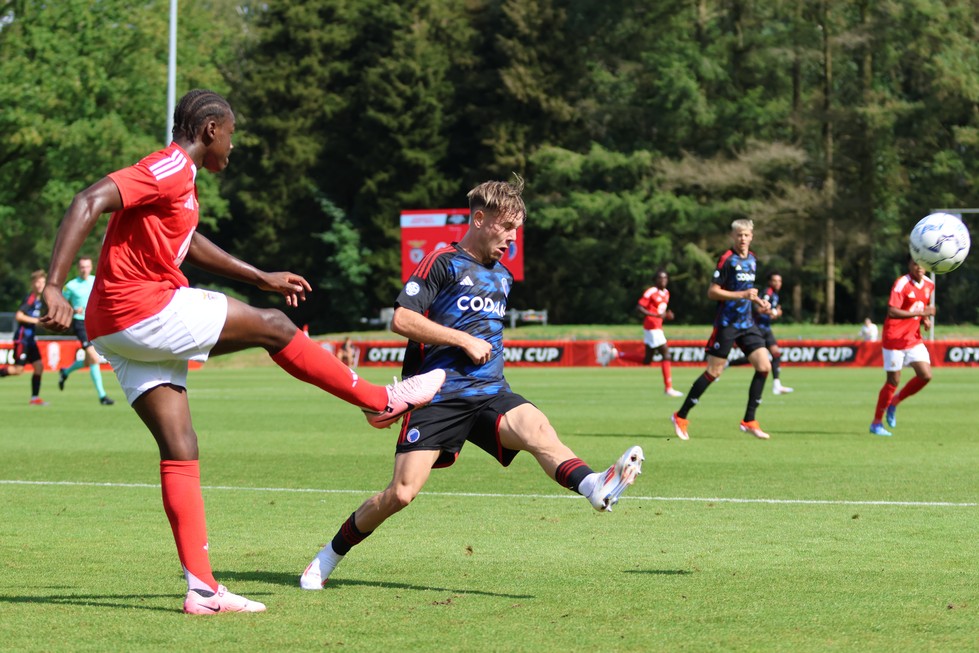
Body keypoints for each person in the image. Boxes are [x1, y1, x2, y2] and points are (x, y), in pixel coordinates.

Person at [39, 89, 445, 615]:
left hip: (114, 326)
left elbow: (190, 243)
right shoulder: (167, 166)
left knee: (181, 445)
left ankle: (203, 590)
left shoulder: (181, 184)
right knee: (275, 327)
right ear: (210, 130)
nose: (233, 145)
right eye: (231, 134)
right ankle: (376, 399)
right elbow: (86, 201)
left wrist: (261, 276)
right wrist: (53, 286)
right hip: (139, 309)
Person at [300, 176, 644, 591]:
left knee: (538, 430)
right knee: (401, 494)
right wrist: (453, 348)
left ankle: (595, 485)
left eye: (517, 230)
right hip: (439, 397)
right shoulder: (441, 262)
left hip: (489, 392)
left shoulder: (502, 277)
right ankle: (329, 555)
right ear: (480, 219)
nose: (513, 239)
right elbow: (403, 319)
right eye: (507, 228)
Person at [670, 219, 773, 441]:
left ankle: (749, 420)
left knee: (764, 366)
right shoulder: (727, 260)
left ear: (751, 236)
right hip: (727, 324)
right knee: (714, 371)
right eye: (738, 235)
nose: (742, 239)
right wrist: (742, 296)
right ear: (732, 236)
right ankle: (681, 416)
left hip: (747, 323)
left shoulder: (753, 260)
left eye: (746, 235)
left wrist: (759, 303)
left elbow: (749, 293)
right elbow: (713, 292)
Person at [868, 259, 935, 437]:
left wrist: (924, 320)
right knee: (893, 381)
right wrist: (922, 314)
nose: (919, 267)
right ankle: (876, 423)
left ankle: (895, 402)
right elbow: (892, 311)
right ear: (909, 265)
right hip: (894, 337)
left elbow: (920, 306)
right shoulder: (901, 283)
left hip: (913, 338)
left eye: (922, 264)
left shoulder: (929, 284)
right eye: (915, 264)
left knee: (925, 375)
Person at [611, 270, 683, 397]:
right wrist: (655, 315)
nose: (663, 280)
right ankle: (668, 388)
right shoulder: (651, 292)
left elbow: (660, 312)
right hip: (652, 327)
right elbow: (639, 307)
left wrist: (667, 316)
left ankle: (617, 354)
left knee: (647, 360)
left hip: (657, 327)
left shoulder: (666, 293)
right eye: (661, 278)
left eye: (665, 278)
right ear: (655, 280)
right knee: (666, 355)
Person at [58, 256, 114, 405]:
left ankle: (65, 372)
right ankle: (102, 396)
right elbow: (61, 304)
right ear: (78, 268)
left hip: (95, 322)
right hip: (79, 323)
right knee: (94, 358)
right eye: (82, 267)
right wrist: (72, 309)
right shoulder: (71, 286)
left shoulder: (96, 281)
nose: (85, 270)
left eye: (87, 267)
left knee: (90, 360)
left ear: (91, 267)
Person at [1, 270, 49, 406]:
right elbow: (19, 316)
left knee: (39, 367)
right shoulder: (31, 298)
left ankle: (35, 398)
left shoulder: (39, 300)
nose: (40, 285)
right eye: (37, 282)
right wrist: (37, 321)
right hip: (22, 338)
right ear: (32, 283)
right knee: (18, 370)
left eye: (42, 282)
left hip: (30, 340)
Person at [754, 272, 793, 395]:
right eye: (775, 280)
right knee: (756, 357)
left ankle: (777, 385)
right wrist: (775, 312)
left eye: (780, 281)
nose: (778, 283)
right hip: (758, 328)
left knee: (776, 354)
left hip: (766, 328)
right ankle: (727, 364)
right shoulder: (768, 293)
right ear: (770, 282)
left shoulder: (775, 295)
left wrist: (774, 314)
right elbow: (759, 309)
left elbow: (770, 313)